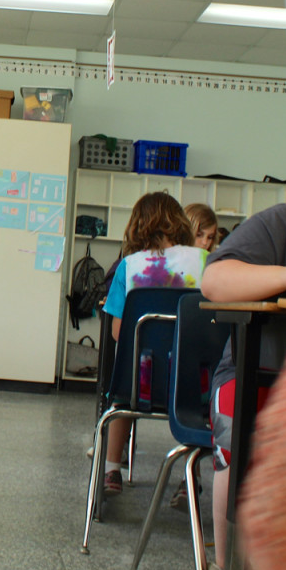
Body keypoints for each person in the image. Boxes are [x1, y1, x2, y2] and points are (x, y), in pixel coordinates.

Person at [199, 196, 286, 570]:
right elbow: (214, 280)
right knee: (237, 431)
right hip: (254, 374)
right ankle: (228, 565)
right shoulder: (285, 222)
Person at [99, 192, 207, 498]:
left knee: (119, 400)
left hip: (138, 385)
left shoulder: (129, 266)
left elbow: (119, 333)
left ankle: (111, 470)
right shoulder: (205, 263)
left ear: (138, 226)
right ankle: (190, 478)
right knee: (199, 408)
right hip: (192, 385)